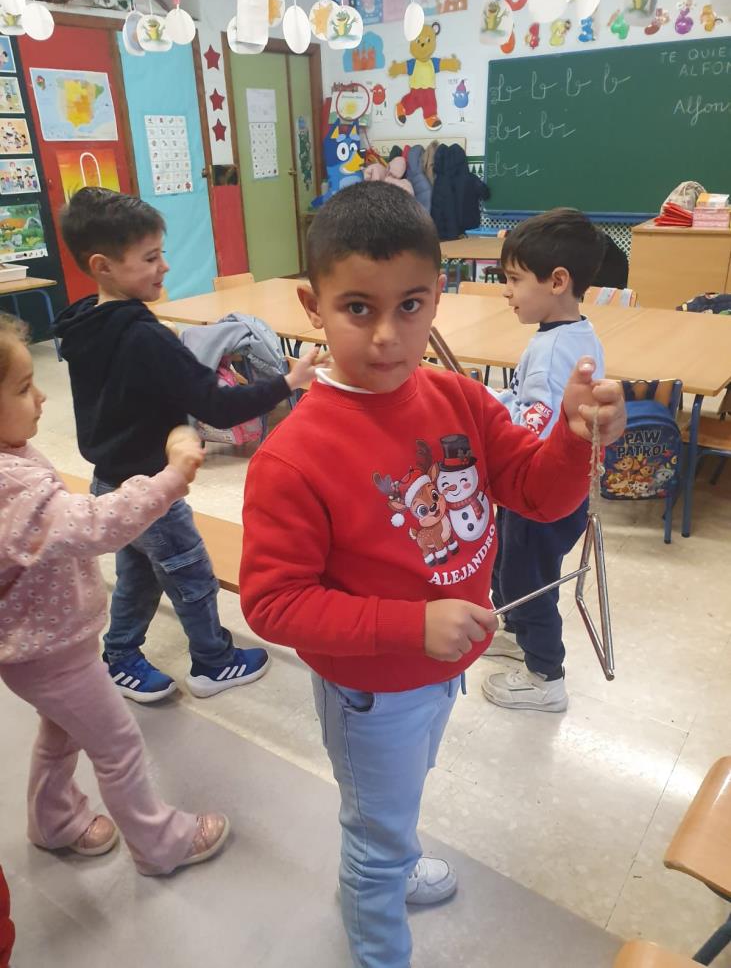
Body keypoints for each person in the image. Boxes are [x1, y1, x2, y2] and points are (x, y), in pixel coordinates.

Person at [239, 183, 625, 968]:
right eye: (357, 308)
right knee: (373, 827)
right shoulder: (292, 457)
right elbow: (274, 604)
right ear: (313, 307)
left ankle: (394, 853)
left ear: (437, 297)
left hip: (440, 665)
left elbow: (534, 492)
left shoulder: (458, 398)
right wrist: (411, 625)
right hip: (371, 688)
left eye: (409, 305)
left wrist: (574, 438)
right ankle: (379, 937)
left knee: (401, 790)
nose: (388, 335)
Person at [55, 187, 325, 703]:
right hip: (152, 486)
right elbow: (216, 406)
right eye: (150, 258)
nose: (165, 267)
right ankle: (213, 662)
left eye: (161, 253)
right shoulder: (145, 336)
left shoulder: (85, 323)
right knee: (192, 573)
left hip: (110, 482)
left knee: (140, 572)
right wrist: (289, 382)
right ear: (103, 266)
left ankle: (119, 656)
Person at [0, 315, 229, 875]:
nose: (42, 398)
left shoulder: (12, 456)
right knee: (119, 745)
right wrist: (171, 477)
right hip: (49, 651)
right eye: (24, 388)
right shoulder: (10, 482)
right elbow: (94, 525)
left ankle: (53, 820)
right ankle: (161, 843)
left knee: (62, 734)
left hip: (41, 645)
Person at [482, 208, 606, 714]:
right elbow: (531, 404)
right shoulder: (573, 333)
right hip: (541, 488)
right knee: (510, 567)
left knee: (527, 582)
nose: (506, 291)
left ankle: (544, 676)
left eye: (514, 279)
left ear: (557, 281)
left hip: (540, 493)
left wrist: (491, 415)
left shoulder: (556, 352)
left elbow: (536, 428)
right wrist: (495, 401)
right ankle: (515, 634)